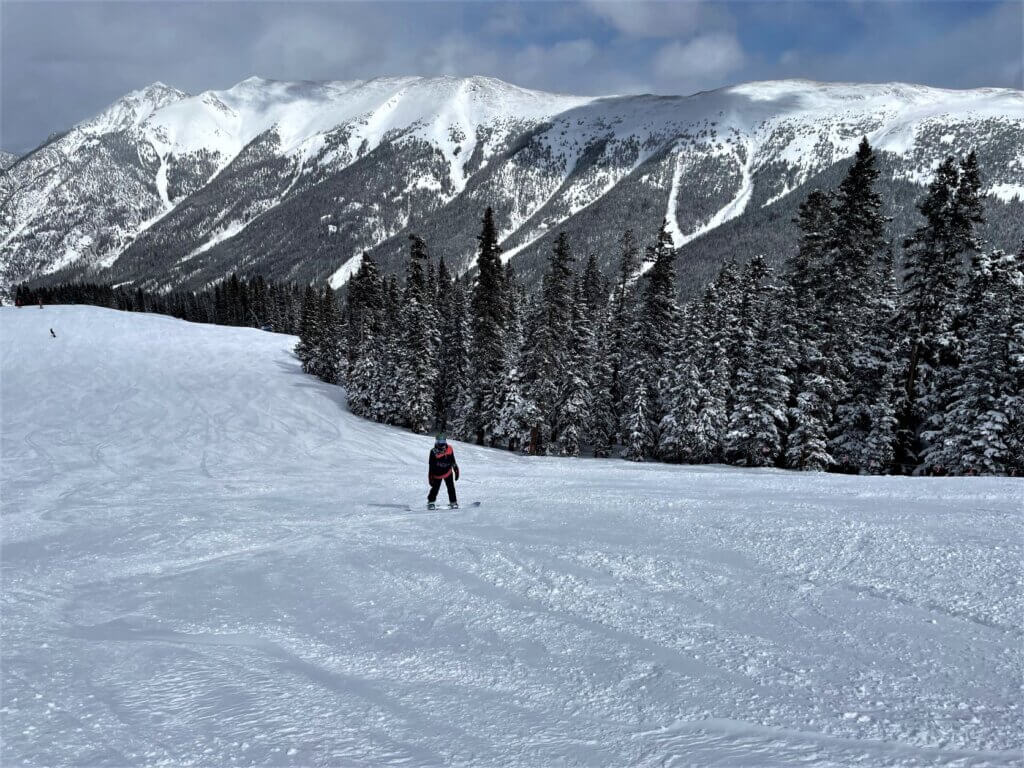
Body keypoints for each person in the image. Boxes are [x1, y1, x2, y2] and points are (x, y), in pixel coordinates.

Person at [427, 434, 459, 508]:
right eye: (440, 441)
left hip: (448, 472)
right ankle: (431, 502)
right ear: (436, 441)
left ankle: (453, 502)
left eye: (443, 440)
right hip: (437, 474)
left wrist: (455, 469)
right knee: (435, 488)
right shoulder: (433, 452)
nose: (442, 443)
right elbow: (431, 465)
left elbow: (452, 460)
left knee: (451, 487)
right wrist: (430, 476)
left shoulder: (449, 448)